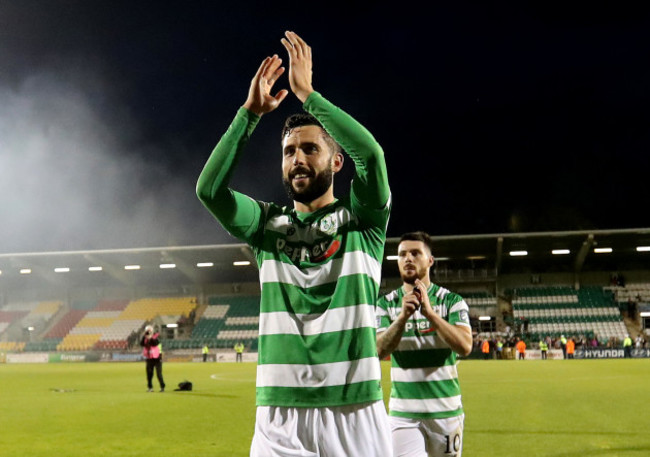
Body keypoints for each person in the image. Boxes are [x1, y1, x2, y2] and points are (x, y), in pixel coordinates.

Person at [196, 31, 392, 456]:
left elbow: (372, 156)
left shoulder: (363, 219)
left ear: (336, 161)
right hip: (279, 418)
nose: (297, 159)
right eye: (288, 152)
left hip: (355, 411)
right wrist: (249, 114)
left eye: (309, 149)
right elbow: (209, 191)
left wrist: (308, 96)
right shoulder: (266, 225)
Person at [376, 231, 472, 457]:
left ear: (430, 260)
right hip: (403, 414)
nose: (407, 258)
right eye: (402, 254)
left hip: (445, 411)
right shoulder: (386, 304)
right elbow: (378, 350)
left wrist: (430, 314)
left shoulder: (452, 302)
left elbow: (465, 346)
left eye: (415, 253)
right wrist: (401, 318)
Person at [140, 325, 165, 392]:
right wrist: (144, 336)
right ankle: (150, 387)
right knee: (149, 374)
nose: (148, 332)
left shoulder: (156, 337)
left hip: (157, 358)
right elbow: (141, 344)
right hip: (149, 358)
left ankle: (162, 387)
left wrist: (150, 338)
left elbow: (154, 344)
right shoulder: (145, 338)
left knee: (158, 374)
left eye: (149, 331)